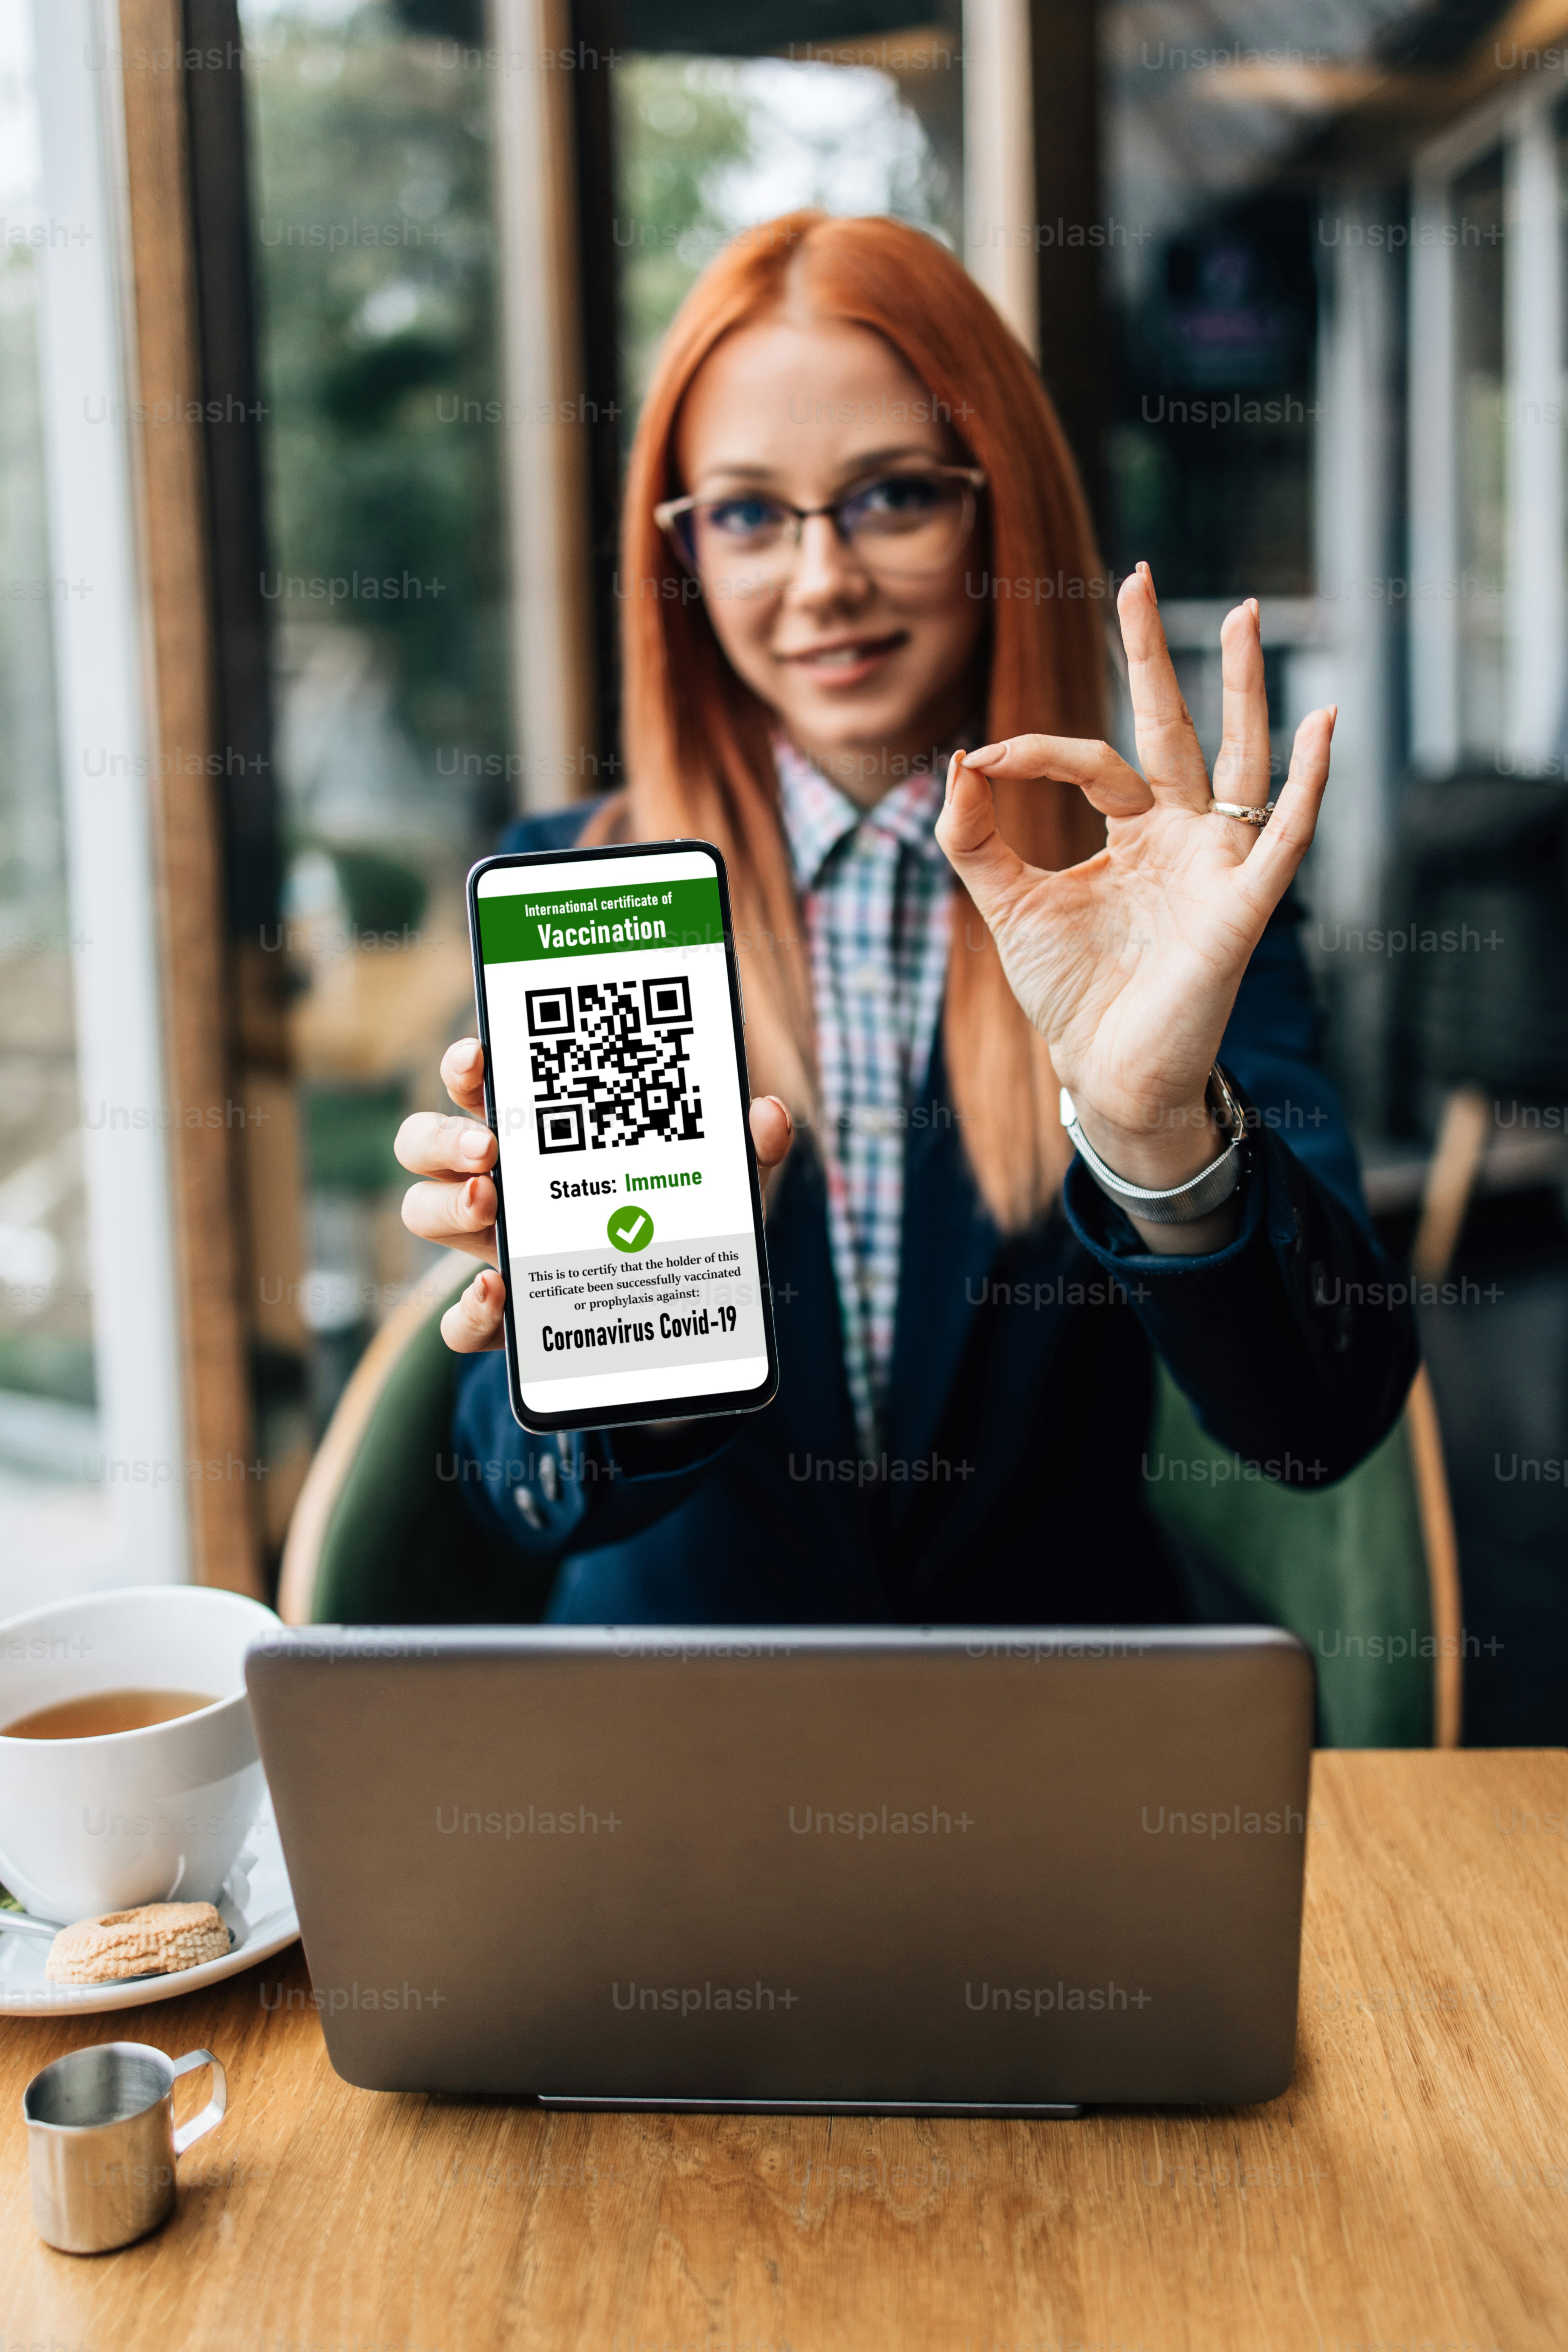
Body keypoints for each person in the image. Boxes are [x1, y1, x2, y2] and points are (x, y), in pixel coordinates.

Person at [396, 210, 1416, 1626]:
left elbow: (1320, 1422)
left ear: (1000, 508)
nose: (823, 581)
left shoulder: (1162, 896)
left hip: (1051, 1717)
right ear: (684, 550)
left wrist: (1157, 1140)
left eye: (891, 496)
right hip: (671, 1724)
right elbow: (519, 1491)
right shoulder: (582, 892)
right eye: (746, 513)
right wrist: (632, 1340)